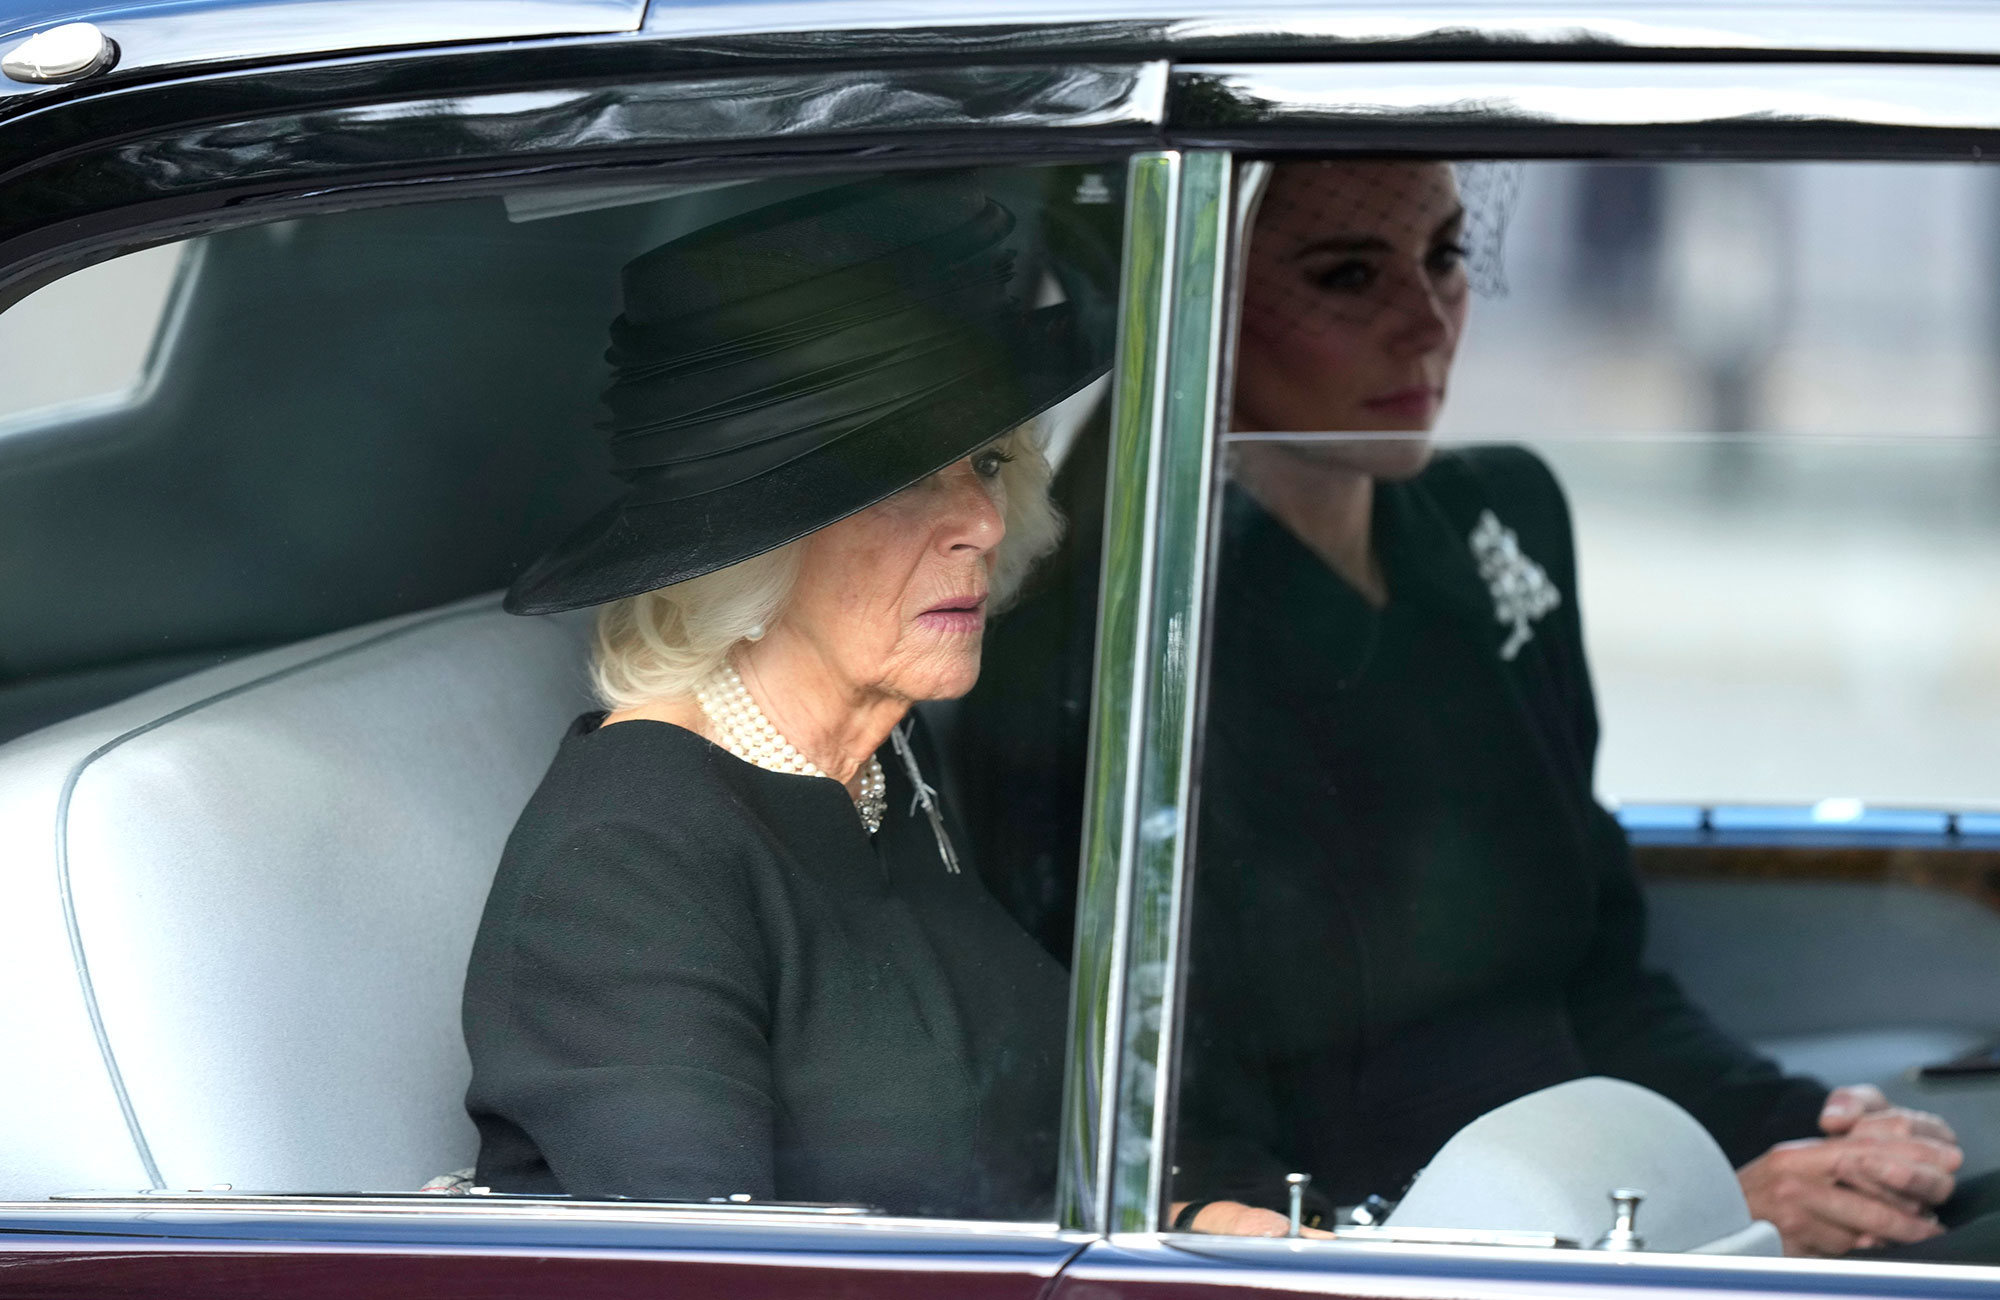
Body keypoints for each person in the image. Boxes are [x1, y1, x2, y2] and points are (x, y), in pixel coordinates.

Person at [1175, 158, 1987, 1257]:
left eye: (1446, 257)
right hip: (1449, 1247)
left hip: (1622, 1165)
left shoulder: (1489, 522)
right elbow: (1225, 1163)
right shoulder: (1157, 635)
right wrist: (1705, 1212)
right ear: (1200, 295)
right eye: (1346, 275)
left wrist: (1814, 1123)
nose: (1426, 322)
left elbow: (1599, 987)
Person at [460, 172, 1295, 1229]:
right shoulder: (627, 863)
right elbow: (707, 1279)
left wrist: (1182, 1222)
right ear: (753, 541)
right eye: (904, 479)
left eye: (986, 462)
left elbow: (993, 1141)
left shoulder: (879, 759)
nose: (983, 525)